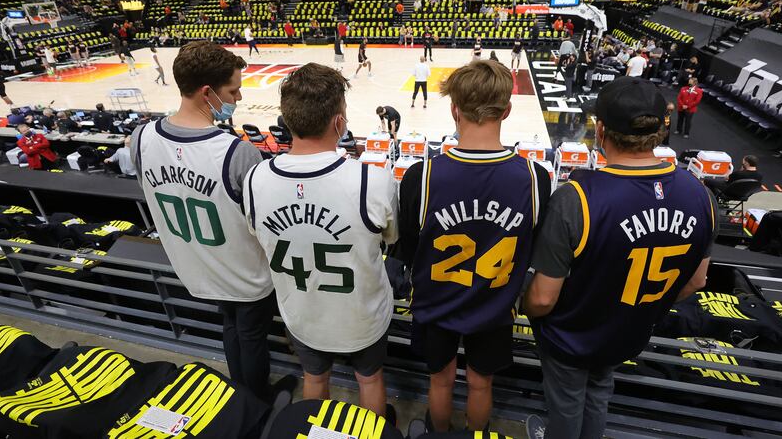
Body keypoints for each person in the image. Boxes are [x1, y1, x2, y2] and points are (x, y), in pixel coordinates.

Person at [524, 77, 716, 439]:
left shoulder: (577, 197)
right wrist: (640, 308)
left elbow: (543, 298)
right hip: (629, 331)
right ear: (662, 130)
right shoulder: (701, 196)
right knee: (598, 393)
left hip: (572, 334)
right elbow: (697, 281)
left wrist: (528, 311)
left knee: (566, 403)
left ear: (600, 130)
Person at [131, 41, 293, 403]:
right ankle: (257, 403)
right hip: (244, 270)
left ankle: (240, 395)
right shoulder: (237, 152)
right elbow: (265, 220)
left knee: (232, 327)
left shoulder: (140, 139)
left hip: (196, 264)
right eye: (233, 89)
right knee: (251, 336)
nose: (240, 95)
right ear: (207, 92)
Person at [399, 60, 550, 433]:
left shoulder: (422, 176)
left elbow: (409, 251)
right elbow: (533, 248)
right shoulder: (535, 178)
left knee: (441, 380)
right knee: (482, 382)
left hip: (436, 304)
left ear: (454, 109)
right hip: (495, 306)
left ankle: (439, 433)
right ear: (508, 110)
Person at [244, 63, 398, 419]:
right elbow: (391, 239)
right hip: (361, 313)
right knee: (370, 380)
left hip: (302, 311)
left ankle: (315, 428)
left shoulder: (255, 179)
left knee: (313, 378)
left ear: (287, 121)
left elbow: (258, 236)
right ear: (339, 122)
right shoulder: (372, 181)